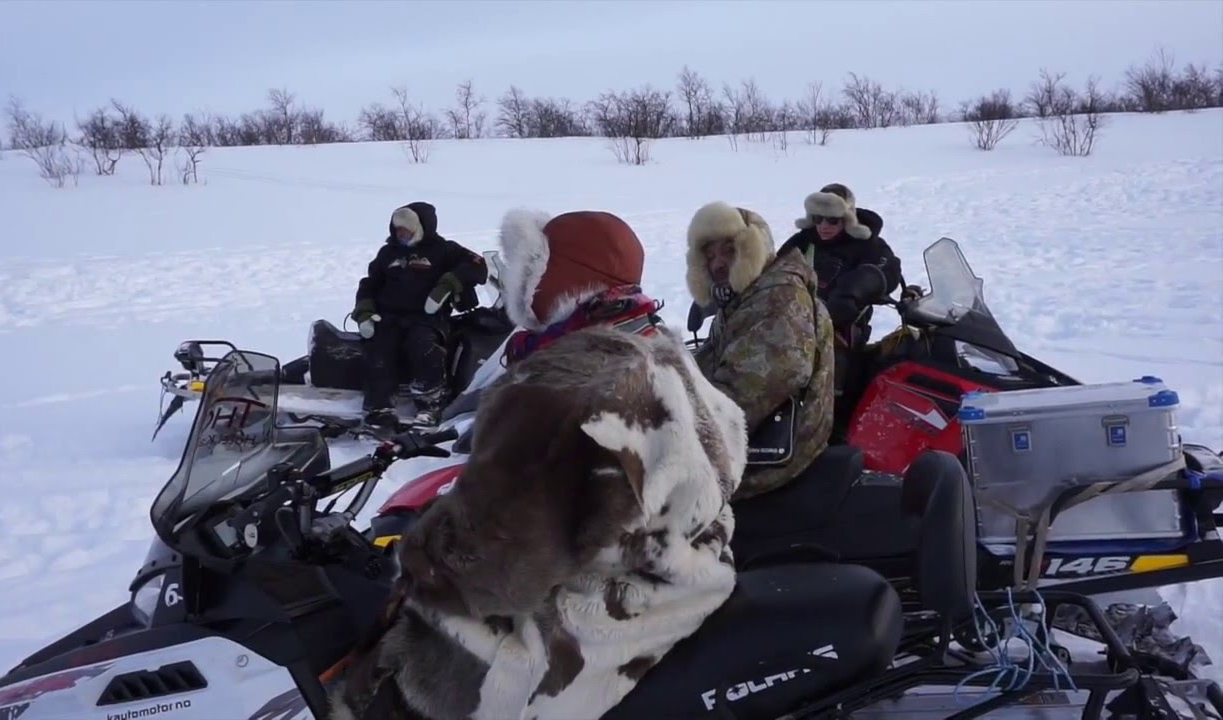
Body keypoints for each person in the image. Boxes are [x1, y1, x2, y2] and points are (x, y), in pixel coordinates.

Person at [330, 208, 748, 720]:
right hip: (682, 588)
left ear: (552, 275)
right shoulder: (659, 350)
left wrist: (418, 567)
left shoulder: (563, 391)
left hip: (592, 626)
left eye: (528, 268)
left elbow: (497, 570)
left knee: (386, 685)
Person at [685, 201, 835, 500]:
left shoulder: (780, 299)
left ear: (752, 248)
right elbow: (714, 360)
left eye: (728, 250)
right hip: (757, 439)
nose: (717, 264)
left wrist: (670, 426)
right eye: (710, 255)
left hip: (773, 461)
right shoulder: (746, 298)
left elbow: (743, 393)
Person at [778, 183, 904, 437]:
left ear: (846, 219)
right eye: (818, 218)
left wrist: (858, 287)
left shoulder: (866, 244)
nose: (824, 226)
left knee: (837, 376)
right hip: (797, 326)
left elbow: (889, 270)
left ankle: (833, 433)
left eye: (833, 220)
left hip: (843, 331)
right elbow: (773, 270)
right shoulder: (804, 242)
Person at [351, 201, 488, 428]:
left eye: (407, 229)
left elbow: (477, 265)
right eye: (398, 230)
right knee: (379, 349)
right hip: (389, 317)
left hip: (428, 318)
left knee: (423, 346)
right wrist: (364, 311)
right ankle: (379, 407)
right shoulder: (388, 253)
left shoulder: (444, 250)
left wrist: (447, 284)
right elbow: (369, 283)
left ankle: (431, 403)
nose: (401, 234)